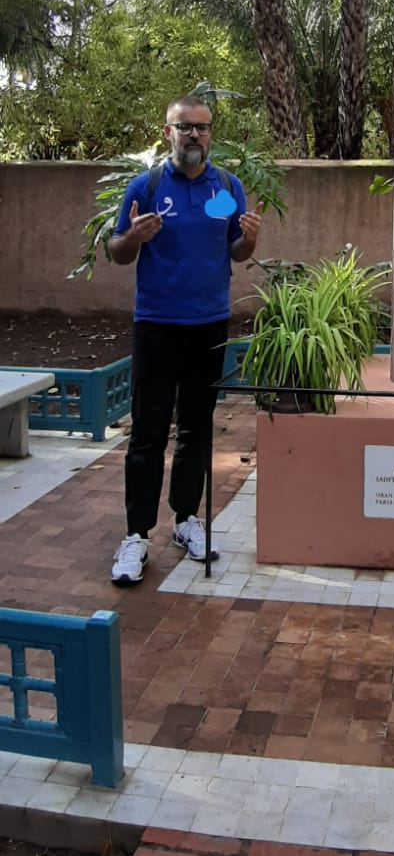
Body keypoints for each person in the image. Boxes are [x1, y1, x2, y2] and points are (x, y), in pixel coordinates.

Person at [107, 94, 261, 585]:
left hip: (209, 326)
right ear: (168, 132)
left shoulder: (227, 188)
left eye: (203, 127)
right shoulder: (147, 187)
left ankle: (186, 520)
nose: (195, 134)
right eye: (185, 126)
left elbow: (235, 250)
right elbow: (116, 252)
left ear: (211, 133)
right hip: (156, 325)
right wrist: (134, 237)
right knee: (148, 431)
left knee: (196, 428)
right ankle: (136, 535)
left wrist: (250, 240)